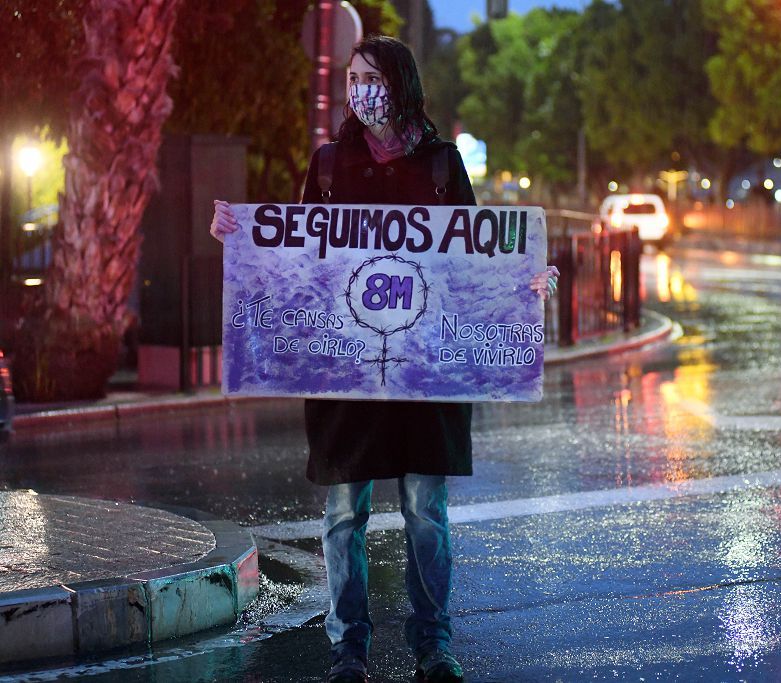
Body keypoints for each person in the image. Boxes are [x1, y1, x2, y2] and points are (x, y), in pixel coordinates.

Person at [210, 35, 559, 683]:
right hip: (348, 376)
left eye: (371, 77)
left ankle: (434, 646)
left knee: (428, 511)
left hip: (424, 376)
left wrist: (525, 283)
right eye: (352, 77)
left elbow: (475, 260)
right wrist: (240, 237)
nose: (360, 90)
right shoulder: (329, 164)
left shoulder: (441, 165)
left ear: (400, 85)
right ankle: (350, 650)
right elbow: (296, 261)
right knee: (345, 513)